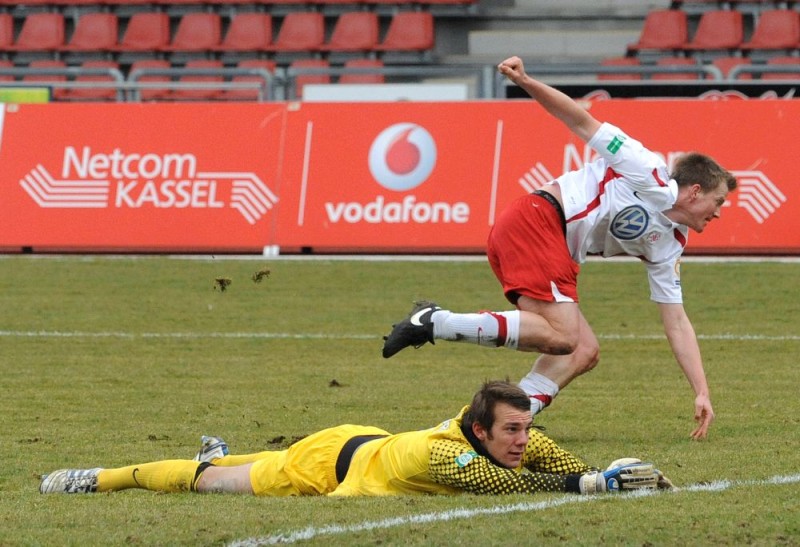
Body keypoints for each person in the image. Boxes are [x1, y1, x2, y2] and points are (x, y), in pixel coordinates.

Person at [382, 55, 738, 441]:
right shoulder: (646, 169)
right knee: (565, 337)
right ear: (696, 191)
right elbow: (580, 120)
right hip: (537, 220)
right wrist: (526, 80)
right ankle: (436, 322)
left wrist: (701, 389)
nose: (719, 214)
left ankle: (507, 424)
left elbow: (677, 322)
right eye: (718, 202)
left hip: (548, 244)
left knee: (583, 351)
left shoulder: (670, 243)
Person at [40, 380, 671, 497]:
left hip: (359, 440)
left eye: (523, 427)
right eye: (512, 429)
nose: (522, 438)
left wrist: (601, 472)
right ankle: (96, 477)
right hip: (324, 469)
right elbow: (492, 480)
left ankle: (217, 452)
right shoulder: (448, 454)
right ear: (481, 429)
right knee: (207, 484)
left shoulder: (490, 426)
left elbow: (549, 457)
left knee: (230, 465)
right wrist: (586, 484)